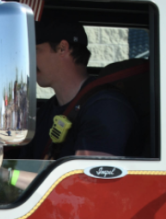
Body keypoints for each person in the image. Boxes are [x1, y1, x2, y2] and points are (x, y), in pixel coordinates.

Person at [28, 20, 139, 159]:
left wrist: (6, 175)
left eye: (34, 50)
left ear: (62, 48)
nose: (28, 60)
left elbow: (89, 179)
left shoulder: (106, 108)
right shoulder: (47, 111)